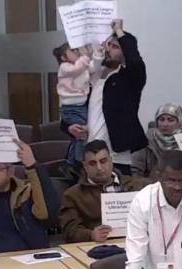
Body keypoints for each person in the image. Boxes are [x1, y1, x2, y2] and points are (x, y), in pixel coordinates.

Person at [61, 18, 148, 176]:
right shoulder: (89, 76)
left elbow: (135, 60)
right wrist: (68, 126)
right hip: (86, 157)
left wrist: (119, 31)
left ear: (124, 53)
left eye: (115, 46)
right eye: (108, 45)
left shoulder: (129, 78)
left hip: (116, 158)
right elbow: (71, 107)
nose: (108, 49)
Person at [59, 139, 148, 243]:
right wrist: (90, 235)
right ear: (85, 166)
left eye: (103, 161)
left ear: (111, 161)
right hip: (98, 247)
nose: (99, 168)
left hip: (136, 242)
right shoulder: (73, 195)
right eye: (92, 163)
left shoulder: (135, 185)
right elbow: (69, 231)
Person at [53, 42, 103, 168]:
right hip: (72, 108)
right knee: (80, 135)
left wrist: (97, 53)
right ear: (63, 57)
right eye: (73, 51)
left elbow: (93, 67)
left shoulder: (82, 68)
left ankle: (73, 161)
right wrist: (86, 55)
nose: (77, 52)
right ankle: (79, 161)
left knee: (79, 137)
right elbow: (79, 68)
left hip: (79, 106)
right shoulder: (65, 67)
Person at [131, 103, 182, 184]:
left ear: (179, 122)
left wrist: (179, 181)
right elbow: (135, 171)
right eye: (161, 119)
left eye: (170, 120)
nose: (165, 124)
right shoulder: (146, 140)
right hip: (153, 186)